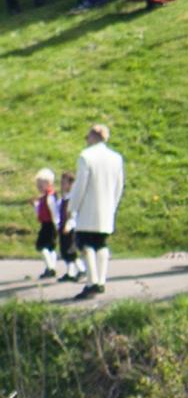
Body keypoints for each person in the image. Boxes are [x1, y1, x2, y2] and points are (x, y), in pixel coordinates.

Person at [62, 122, 117, 302]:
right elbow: (119, 186)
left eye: (87, 137)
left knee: (85, 244)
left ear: (93, 137)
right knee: (101, 243)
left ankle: (91, 282)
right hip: (106, 207)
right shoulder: (116, 158)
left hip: (88, 207)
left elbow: (80, 186)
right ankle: (101, 280)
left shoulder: (86, 156)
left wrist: (72, 208)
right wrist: (113, 205)